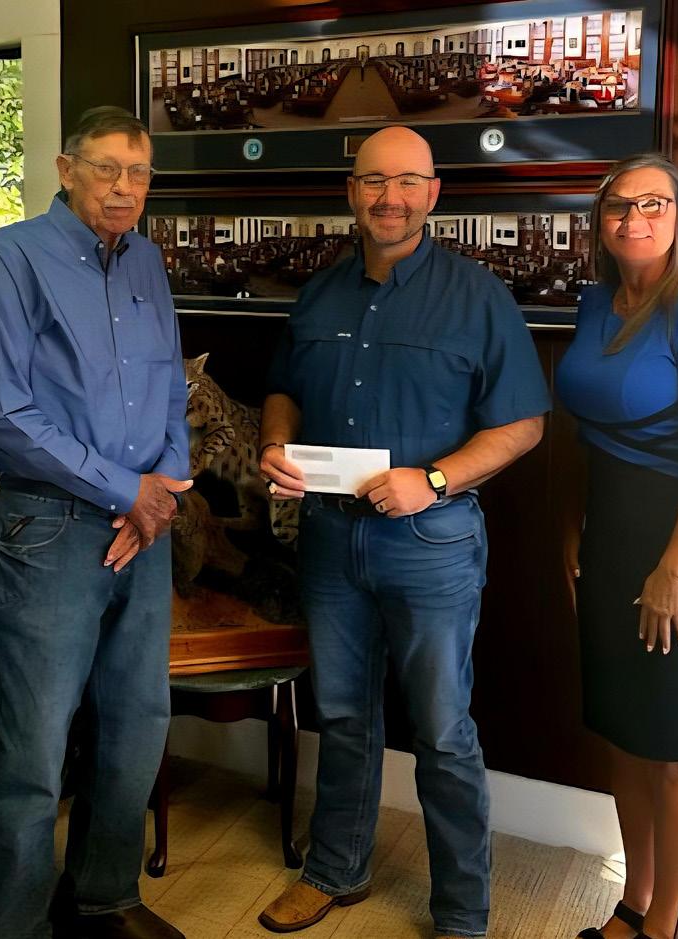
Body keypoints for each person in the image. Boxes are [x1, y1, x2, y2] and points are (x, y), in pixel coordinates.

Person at [257, 126, 549, 938]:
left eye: (408, 182)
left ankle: (461, 911)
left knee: (443, 730)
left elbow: (524, 423)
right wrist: (275, 442)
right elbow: (283, 389)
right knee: (343, 715)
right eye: (375, 182)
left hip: (431, 543)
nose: (391, 198)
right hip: (329, 539)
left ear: (434, 193)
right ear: (352, 192)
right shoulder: (319, 293)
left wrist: (435, 480)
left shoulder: (477, 296)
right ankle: (335, 868)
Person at [0, 106, 190, 939]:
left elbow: (172, 389)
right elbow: (0, 411)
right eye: (106, 168)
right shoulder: (11, 257)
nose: (124, 188)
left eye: (139, 172)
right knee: (35, 752)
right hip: (49, 530)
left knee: (136, 723)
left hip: (144, 531)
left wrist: (163, 488)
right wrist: (128, 489)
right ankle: (11, 925)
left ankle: (104, 897)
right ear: (66, 169)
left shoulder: (148, 262)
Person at [557, 154, 678, 939]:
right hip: (609, 533)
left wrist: (675, 567)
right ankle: (634, 899)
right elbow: (587, 430)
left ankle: (668, 922)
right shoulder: (596, 302)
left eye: (653, 204)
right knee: (623, 734)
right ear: (600, 219)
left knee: (673, 747)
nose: (634, 219)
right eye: (619, 205)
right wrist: (573, 526)